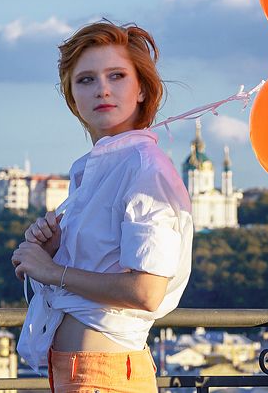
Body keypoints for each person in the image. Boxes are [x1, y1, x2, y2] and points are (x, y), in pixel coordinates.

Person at [11, 21, 194, 393]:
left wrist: (51, 270)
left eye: (117, 76)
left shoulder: (144, 168)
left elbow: (146, 291)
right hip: (80, 373)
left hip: (104, 377)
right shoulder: (96, 170)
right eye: (86, 80)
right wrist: (50, 253)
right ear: (72, 96)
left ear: (142, 89)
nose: (103, 90)